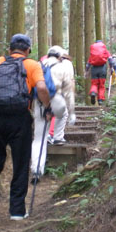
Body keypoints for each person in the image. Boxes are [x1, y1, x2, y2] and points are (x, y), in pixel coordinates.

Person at [0, 33, 51, 220]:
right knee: (21, 163)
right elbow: (41, 88)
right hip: (20, 118)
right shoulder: (32, 65)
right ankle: (16, 212)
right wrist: (48, 107)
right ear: (27, 50)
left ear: (10, 49)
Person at [30, 46, 76, 184]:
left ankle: (36, 170)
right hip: (57, 100)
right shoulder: (63, 67)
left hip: (39, 103)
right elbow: (69, 92)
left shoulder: (38, 65)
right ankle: (58, 137)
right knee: (63, 114)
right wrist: (72, 112)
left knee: (39, 138)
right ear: (59, 56)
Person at [86, 40, 111, 105]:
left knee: (94, 84)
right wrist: (112, 67)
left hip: (94, 69)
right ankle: (100, 100)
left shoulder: (93, 53)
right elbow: (110, 59)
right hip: (102, 68)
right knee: (101, 85)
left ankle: (93, 92)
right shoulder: (105, 50)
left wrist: (86, 71)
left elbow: (88, 63)